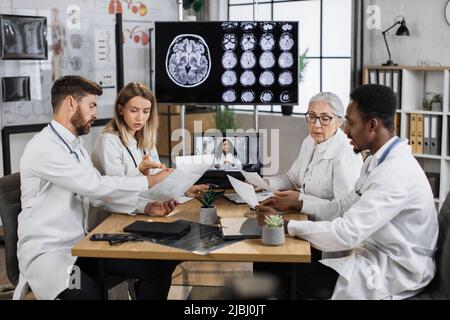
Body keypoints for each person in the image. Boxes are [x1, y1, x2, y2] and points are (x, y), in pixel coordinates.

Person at [255, 84, 438, 300]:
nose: (346, 130)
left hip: (397, 269)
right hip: (372, 253)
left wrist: (283, 225)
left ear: (372, 125)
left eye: (350, 123)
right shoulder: (376, 161)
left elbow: (346, 234)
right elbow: (343, 207)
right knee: (273, 265)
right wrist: (298, 204)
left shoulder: (394, 174)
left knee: (289, 277)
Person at [16, 75, 178, 300]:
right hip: (51, 256)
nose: (96, 114)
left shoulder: (76, 146)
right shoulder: (44, 148)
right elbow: (95, 186)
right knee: (88, 294)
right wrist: (148, 180)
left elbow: (95, 198)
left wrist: (146, 207)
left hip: (84, 247)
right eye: (91, 105)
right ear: (71, 103)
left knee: (157, 269)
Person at [90, 82, 207, 228]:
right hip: (111, 219)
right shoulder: (107, 141)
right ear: (120, 109)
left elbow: (156, 176)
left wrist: (184, 188)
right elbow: (117, 189)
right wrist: (140, 171)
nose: (140, 118)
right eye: (134, 110)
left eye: (146, 111)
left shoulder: (145, 140)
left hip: (138, 214)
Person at [261, 92, 363, 204]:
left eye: (325, 118)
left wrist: (301, 200)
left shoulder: (346, 154)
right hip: (305, 215)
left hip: (326, 221)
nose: (316, 125)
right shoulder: (309, 141)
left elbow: (345, 207)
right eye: (312, 116)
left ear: (339, 122)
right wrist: (264, 183)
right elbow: (292, 179)